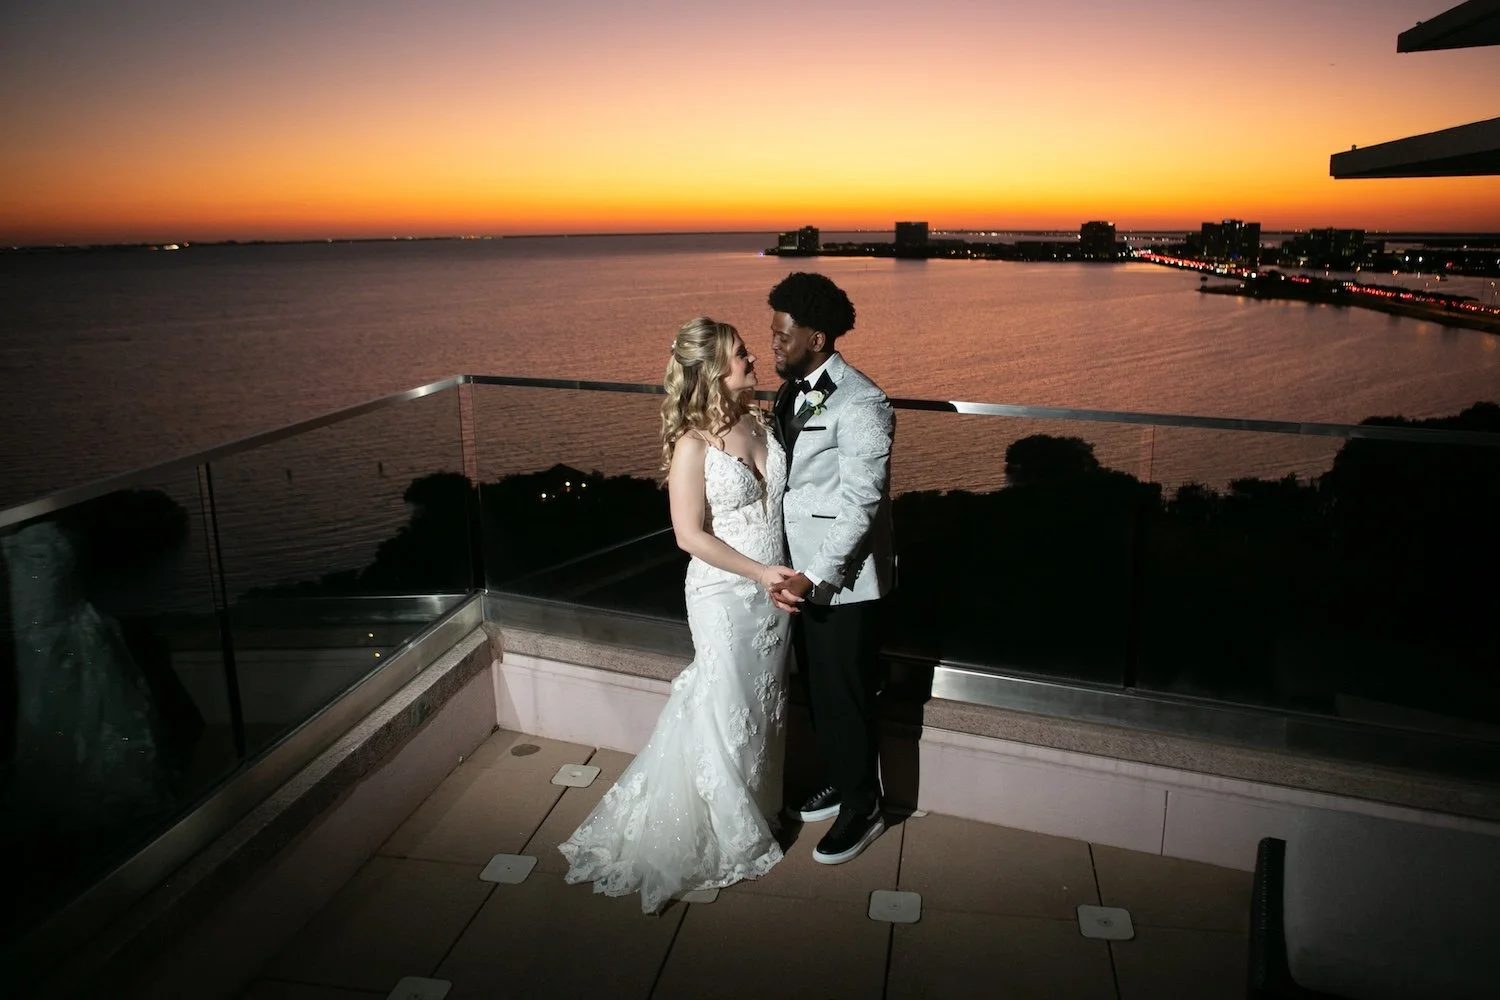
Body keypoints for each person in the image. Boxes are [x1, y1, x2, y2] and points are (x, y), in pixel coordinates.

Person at [559, 316, 797, 913]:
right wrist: (761, 573)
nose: (752, 359)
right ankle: (723, 827)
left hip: (775, 596)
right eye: (740, 354)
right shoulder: (693, 443)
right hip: (726, 595)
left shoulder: (761, 420)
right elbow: (689, 536)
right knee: (721, 703)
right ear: (713, 369)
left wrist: (786, 574)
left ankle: (757, 804)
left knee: (762, 703)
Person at [766, 272, 895, 866]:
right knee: (818, 691)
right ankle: (842, 780)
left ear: (816, 339)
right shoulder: (789, 391)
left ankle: (864, 806)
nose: (773, 344)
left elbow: (861, 504)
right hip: (795, 573)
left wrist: (813, 575)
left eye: (782, 335)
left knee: (845, 694)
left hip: (840, 582)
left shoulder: (863, 401)